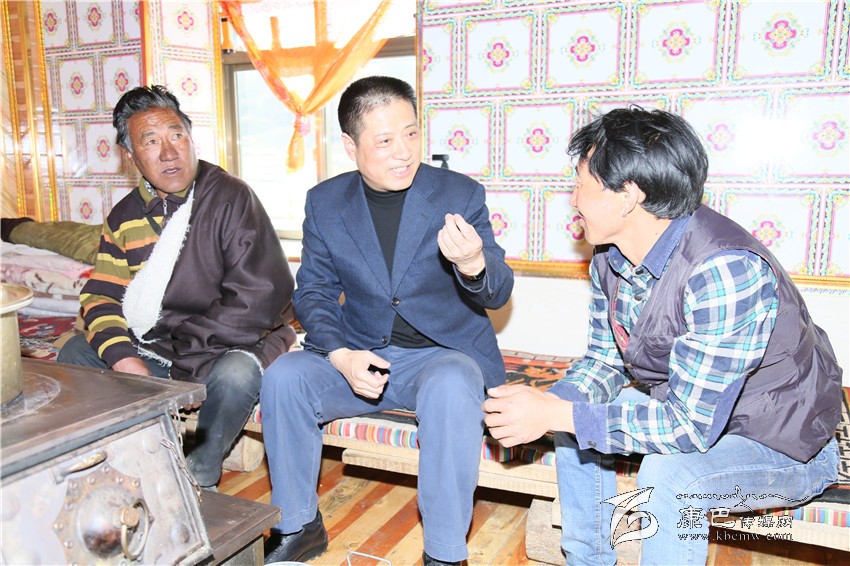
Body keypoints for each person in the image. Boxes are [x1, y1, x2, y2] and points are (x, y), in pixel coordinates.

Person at [482, 107, 841, 565]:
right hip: (699, 411)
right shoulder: (609, 256)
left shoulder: (724, 270)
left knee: (670, 475)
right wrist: (548, 405)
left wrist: (559, 412)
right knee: (572, 413)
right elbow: (605, 361)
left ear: (628, 196)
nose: (573, 200)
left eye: (580, 184)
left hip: (782, 444)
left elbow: (688, 429)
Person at [260, 76, 514, 565]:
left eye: (411, 133)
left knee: (452, 384)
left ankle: (445, 552)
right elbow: (312, 291)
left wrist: (474, 264)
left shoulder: (458, 193)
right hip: (360, 354)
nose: (404, 152)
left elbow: (499, 291)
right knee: (284, 376)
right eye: (384, 141)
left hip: (439, 357)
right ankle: (298, 525)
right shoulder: (325, 202)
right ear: (350, 146)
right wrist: (341, 355)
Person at [57, 85, 297, 490]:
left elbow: (257, 299)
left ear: (191, 138)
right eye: (151, 141)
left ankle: (198, 474)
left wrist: (190, 366)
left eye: (176, 135)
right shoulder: (124, 217)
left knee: (236, 374)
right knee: (75, 352)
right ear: (131, 156)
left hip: (226, 344)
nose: (169, 152)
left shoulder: (230, 198)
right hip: (162, 350)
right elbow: (101, 296)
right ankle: (129, 454)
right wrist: (124, 359)